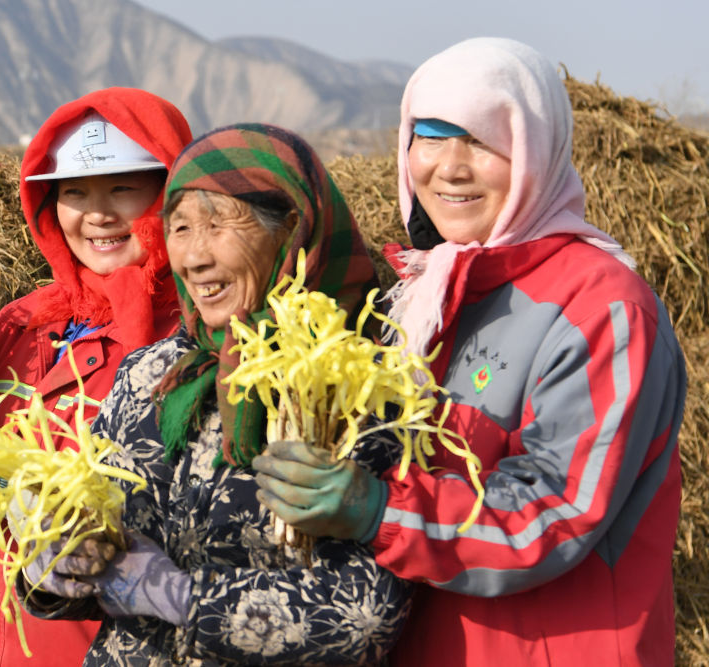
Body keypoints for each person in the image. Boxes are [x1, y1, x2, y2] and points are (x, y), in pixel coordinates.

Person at [251, 37, 688, 666]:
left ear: (536, 152)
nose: (449, 167)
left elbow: (555, 514)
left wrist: (379, 508)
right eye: (429, 137)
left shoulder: (602, 308)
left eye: (482, 142)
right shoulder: (416, 299)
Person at [11, 123, 413, 665]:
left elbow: (367, 613)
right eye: (179, 228)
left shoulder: (362, 383)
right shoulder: (152, 376)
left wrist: (182, 598)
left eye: (219, 226)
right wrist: (57, 566)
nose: (194, 258)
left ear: (293, 229)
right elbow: (102, 551)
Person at [0, 87, 193, 666]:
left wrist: (8, 489)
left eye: (122, 188)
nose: (97, 213)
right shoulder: (21, 323)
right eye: (75, 192)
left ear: (171, 196)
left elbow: (175, 521)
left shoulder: (189, 345)